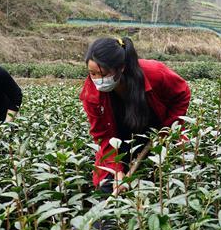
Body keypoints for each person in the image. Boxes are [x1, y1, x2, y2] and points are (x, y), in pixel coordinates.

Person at [81, 36, 190, 195]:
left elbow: (182, 94)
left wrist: (167, 130)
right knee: (108, 187)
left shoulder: (154, 73)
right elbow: (102, 136)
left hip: (156, 135)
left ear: (121, 68)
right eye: (92, 73)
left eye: (103, 74)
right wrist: (117, 170)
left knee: (160, 184)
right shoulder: (91, 93)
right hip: (117, 143)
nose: (98, 80)